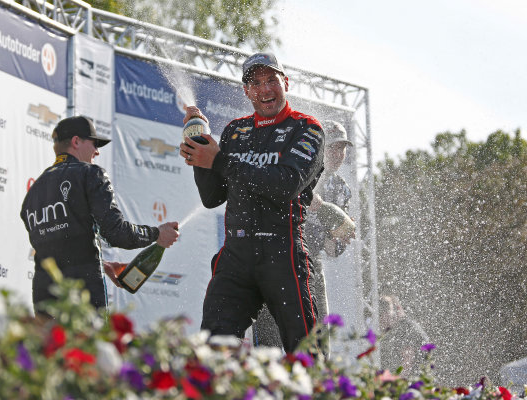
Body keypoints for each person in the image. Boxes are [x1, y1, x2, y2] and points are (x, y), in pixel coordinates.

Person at [179, 52, 353, 353]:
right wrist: (201, 150)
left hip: (282, 253)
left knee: (306, 354)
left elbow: (286, 184)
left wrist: (219, 160)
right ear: (246, 91)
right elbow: (212, 198)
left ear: (285, 83)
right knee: (212, 351)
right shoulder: (235, 131)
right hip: (236, 255)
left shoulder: (307, 129)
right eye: (255, 82)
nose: (265, 89)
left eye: (272, 80)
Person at [21, 115, 179, 321]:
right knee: (87, 352)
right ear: (76, 142)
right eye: (94, 144)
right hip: (82, 297)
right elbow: (117, 233)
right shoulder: (90, 174)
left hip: (44, 297)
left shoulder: (33, 192)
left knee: (52, 352)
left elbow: (58, 244)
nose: (97, 151)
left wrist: (100, 263)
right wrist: (157, 234)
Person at [252, 120, 355, 349]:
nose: (338, 154)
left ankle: (315, 380)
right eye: (332, 147)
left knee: (318, 336)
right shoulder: (295, 166)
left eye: (342, 148)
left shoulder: (341, 188)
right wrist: (305, 196)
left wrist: (340, 236)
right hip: (277, 256)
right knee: (271, 337)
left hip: (311, 262)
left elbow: (333, 249)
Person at [379, 294, 430, 378]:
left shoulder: (405, 328)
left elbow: (407, 363)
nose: (381, 324)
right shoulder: (405, 325)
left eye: (381, 318)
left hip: (415, 382)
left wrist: (396, 384)